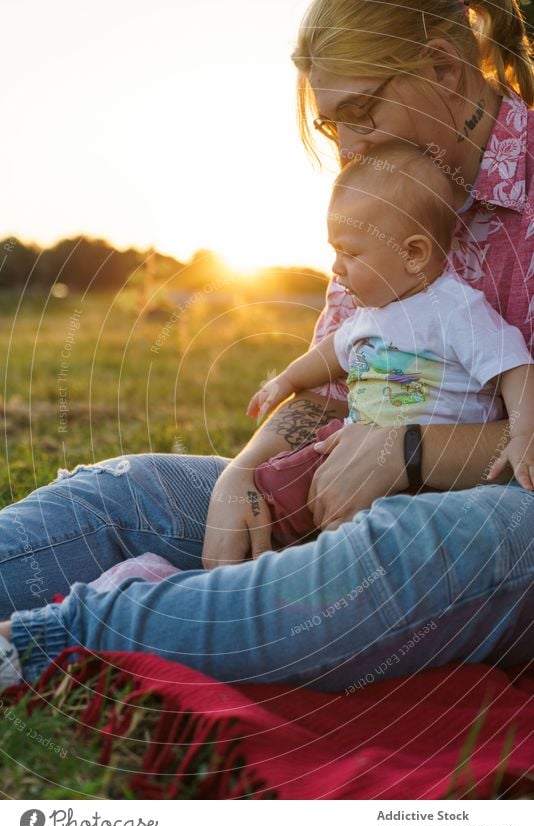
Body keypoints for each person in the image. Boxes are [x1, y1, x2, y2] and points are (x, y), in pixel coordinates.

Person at [1, 0, 534, 694]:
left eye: (363, 110)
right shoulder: (374, 202)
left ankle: (57, 641)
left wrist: (410, 450)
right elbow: (326, 388)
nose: (349, 147)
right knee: (124, 495)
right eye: (331, 123)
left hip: (499, 522)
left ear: (443, 66)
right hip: (339, 485)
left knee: (393, 548)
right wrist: (242, 473)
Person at [248, 141, 534, 546]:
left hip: (428, 483)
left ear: (413, 254)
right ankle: (271, 553)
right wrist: (287, 381)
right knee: (277, 484)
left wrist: (524, 432)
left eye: (349, 252)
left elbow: (513, 365)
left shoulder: (454, 310)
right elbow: (330, 353)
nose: (335, 266)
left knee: (373, 536)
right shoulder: (368, 314)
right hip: (349, 450)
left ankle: (312, 565)